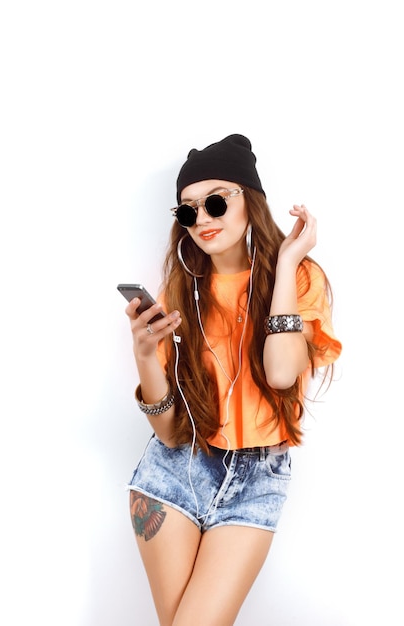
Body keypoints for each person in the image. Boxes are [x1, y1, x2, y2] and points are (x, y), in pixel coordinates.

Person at [124, 134, 342, 626]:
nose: (202, 219)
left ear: (250, 200)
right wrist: (144, 354)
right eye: (188, 211)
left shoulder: (299, 279)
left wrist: (285, 262)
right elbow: (169, 431)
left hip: (255, 481)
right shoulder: (180, 292)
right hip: (173, 472)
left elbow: (282, 372)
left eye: (217, 202)